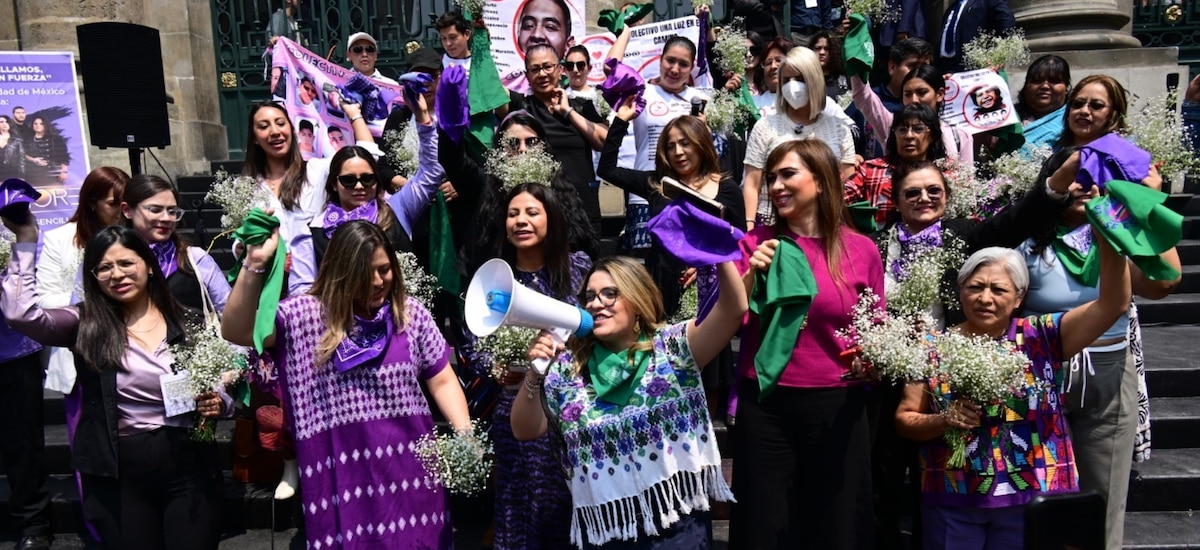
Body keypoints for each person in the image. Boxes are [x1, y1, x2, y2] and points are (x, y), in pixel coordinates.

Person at [222, 220, 472, 550]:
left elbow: (441, 378)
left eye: (384, 269)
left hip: (410, 471)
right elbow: (237, 331)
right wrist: (254, 264)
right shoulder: (304, 316)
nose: (376, 281)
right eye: (362, 272)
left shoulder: (409, 314)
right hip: (341, 475)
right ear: (339, 271)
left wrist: (466, 435)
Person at [1018, 74, 1178, 550]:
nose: (1085, 111)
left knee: (1102, 494)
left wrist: (1137, 211)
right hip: (1043, 372)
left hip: (1107, 369)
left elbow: (1164, 282)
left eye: (1097, 105)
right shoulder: (1031, 227)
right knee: (1037, 493)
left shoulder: (1118, 217)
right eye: (1078, 103)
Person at [3, 221, 232, 550]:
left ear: (148, 267)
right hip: (117, 471)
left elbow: (217, 379)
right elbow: (20, 315)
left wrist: (220, 400)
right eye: (104, 268)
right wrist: (25, 241)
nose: (117, 274)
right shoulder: (84, 323)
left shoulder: (188, 320)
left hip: (187, 465)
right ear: (94, 278)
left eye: (126, 263)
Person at [895, 241, 1130, 549]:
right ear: (960, 289)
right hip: (953, 497)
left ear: (1019, 297)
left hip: (1033, 495)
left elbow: (1113, 304)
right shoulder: (930, 348)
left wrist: (1113, 241)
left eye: (999, 290)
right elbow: (904, 417)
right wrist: (943, 420)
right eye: (975, 287)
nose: (985, 298)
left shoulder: (1042, 336)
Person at [513, 253, 747, 548]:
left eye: (610, 294)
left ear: (637, 301)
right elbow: (525, 429)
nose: (596, 304)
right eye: (590, 297)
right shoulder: (567, 370)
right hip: (607, 531)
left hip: (676, 526)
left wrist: (719, 253)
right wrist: (535, 371)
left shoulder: (672, 348)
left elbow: (734, 308)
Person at [729, 139, 883, 550]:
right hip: (767, 405)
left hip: (838, 405)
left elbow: (874, 329)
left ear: (821, 180)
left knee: (836, 524)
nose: (776, 185)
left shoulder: (862, 249)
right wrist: (748, 278)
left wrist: (873, 362)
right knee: (766, 524)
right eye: (772, 177)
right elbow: (730, 320)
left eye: (788, 174)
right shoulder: (755, 245)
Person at [465, 182, 590, 549]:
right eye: (513, 213)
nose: (521, 220)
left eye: (532, 213)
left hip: (571, 407)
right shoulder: (493, 279)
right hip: (515, 404)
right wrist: (494, 367)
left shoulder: (578, 267)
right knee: (519, 504)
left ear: (552, 219)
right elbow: (475, 344)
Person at [608, 31, 711, 253]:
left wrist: (705, 130)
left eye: (683, 64)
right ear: (660, 59)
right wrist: (627, 29)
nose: (674, 69)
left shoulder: (701, 100)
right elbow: (611, 69)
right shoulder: (641, 91)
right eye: (670, 60)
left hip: (688, 195)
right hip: (646, 192)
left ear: (692, 67)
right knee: (646, 267)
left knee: (683, 266)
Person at [742, 46, 857, 229]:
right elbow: (751, 183)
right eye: (786, 80)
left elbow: (849, 185)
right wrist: (749, 226)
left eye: (800, 79)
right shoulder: (764, 127)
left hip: (825, 226)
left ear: (814, 80)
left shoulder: (838, 128)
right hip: (771, 225)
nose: (792, 86)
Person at [512, 44, 607, 238]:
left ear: (559, 69)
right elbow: (489, 92)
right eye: (535, 69)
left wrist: (568, 112)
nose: (542, 74)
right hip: (539, 214)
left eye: (548, 66)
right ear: (527, 74)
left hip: (582, 211)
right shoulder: (521, 107)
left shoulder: (582, 106)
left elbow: (604, 142)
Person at [310, 135, 442, 263]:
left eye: (367, 179)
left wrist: (424, 122)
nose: (359, 186)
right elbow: (303, 285)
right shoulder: (316, 230)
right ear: (334, 184)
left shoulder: (398, 208)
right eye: (348, 180)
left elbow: (431, 172)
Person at [239, 101, 322, 295]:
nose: (275, 131)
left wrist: (353, 114)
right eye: (264, 126)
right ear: (255, 139)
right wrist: (242, 246)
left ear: (292, 130)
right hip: (269, 293)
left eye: (280, 123)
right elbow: (238, 236)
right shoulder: (244, 187)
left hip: (316, 293)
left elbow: (368, 156)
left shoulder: (317, 172)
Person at [120, 175, 231, 313]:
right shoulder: (112, 262)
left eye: (172, 211)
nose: (166, 218)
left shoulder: (195, 259)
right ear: (127, 210)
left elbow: (230, 313)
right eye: (155, 210)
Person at [852, 63, 973, 167]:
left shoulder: (959, 136)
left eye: (922, 92)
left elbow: (967, 185)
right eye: (907, 94)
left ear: (940, 94)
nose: (914, 100)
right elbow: (864, 97)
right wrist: (856, 61)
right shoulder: (891, 126)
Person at [844, 104, 946, 227]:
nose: (909, 135)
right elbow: (838, 199)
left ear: (932, 136)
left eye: (918, 129)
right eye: (902, 129)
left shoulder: (949, 171)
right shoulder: (871, 170)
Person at [937, 0, 1016, 73]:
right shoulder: (952, 8)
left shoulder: (986, 1)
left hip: (971, 66)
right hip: (944, 66)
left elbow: (1007, 22)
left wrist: (998, 54)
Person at [1016, 55, 1071, 153]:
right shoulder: (1008, 118)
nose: (1045, 86)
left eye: (1054, 81)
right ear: (1026, 86)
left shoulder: (1073, 121)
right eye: (1037, 81)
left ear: (1066, 88)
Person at [751, 37, 793, 116]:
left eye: (779, 60)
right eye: (768, 62)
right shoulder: (753, 104)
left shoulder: (804, 101)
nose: (773, 66)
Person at [25, 117, 69, 185]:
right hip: (34, 175)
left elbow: (64, 157)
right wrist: (33, 160)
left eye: (41, 123)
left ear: (45, 125)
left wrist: (64, 172)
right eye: (35, 124)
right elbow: (21, 154)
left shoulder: (55, 139)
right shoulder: (27, 140)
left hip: (53, 173)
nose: (38, 125)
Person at [808, 31, 848, 100]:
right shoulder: (805, 78)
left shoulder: (843, 78)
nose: (822, 52)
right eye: (818, 48)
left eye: (827, 49)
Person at [436, 10, 472, 77]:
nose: (448, 43)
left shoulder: (479, 63)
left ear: (466, 34)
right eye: (443, 38)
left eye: (452, 37)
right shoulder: (437, 65)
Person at [0, 115, 25, 179]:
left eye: (7, 122)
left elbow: (21, 159)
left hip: (12, 172)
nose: (4, 124)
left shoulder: (17, 140)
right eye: (1, 122)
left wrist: (21, 176)